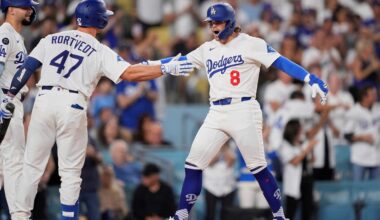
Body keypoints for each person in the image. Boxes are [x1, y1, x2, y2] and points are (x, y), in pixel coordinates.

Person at [0, 0, 194, 219]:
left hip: (43, 101)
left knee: (31, 166)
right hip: (72, 105)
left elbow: (27, 68)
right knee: (70, 173)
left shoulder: (51, 38)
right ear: (99, 20)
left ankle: (19, 216)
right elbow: (130, 73)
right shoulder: (100, 50)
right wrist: (165, 67)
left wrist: (8, 96)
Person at [149, 3, 328, 220]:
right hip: (216, 111)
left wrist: (310, 78)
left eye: (217, 22)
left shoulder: (251, 43)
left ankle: (279, 216)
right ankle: (181, 215)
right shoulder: (208, 48)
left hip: (244, 108)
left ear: (230, 22)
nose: (213, 26)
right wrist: (152, 65)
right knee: (193, 164)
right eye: (210, 23)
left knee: (259, 168)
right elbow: (181, 61)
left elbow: (281, 62)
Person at [0, 0, 39, 217]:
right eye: (25, 6)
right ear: (11, 9)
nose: (29, 10)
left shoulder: (17, 36)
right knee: (14, 163)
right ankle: (19, 216)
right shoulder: (5, 33)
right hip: (6, 99)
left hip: (10, 99)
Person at [279, 119, 317, 220]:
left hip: (306, 180)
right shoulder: (285, 145)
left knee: (307, 210)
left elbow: (311, 160)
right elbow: (295, 161)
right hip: (294, 183)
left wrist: (311, 149)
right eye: (300, 128)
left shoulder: (302, 144)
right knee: (291, 211)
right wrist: (308, 148)